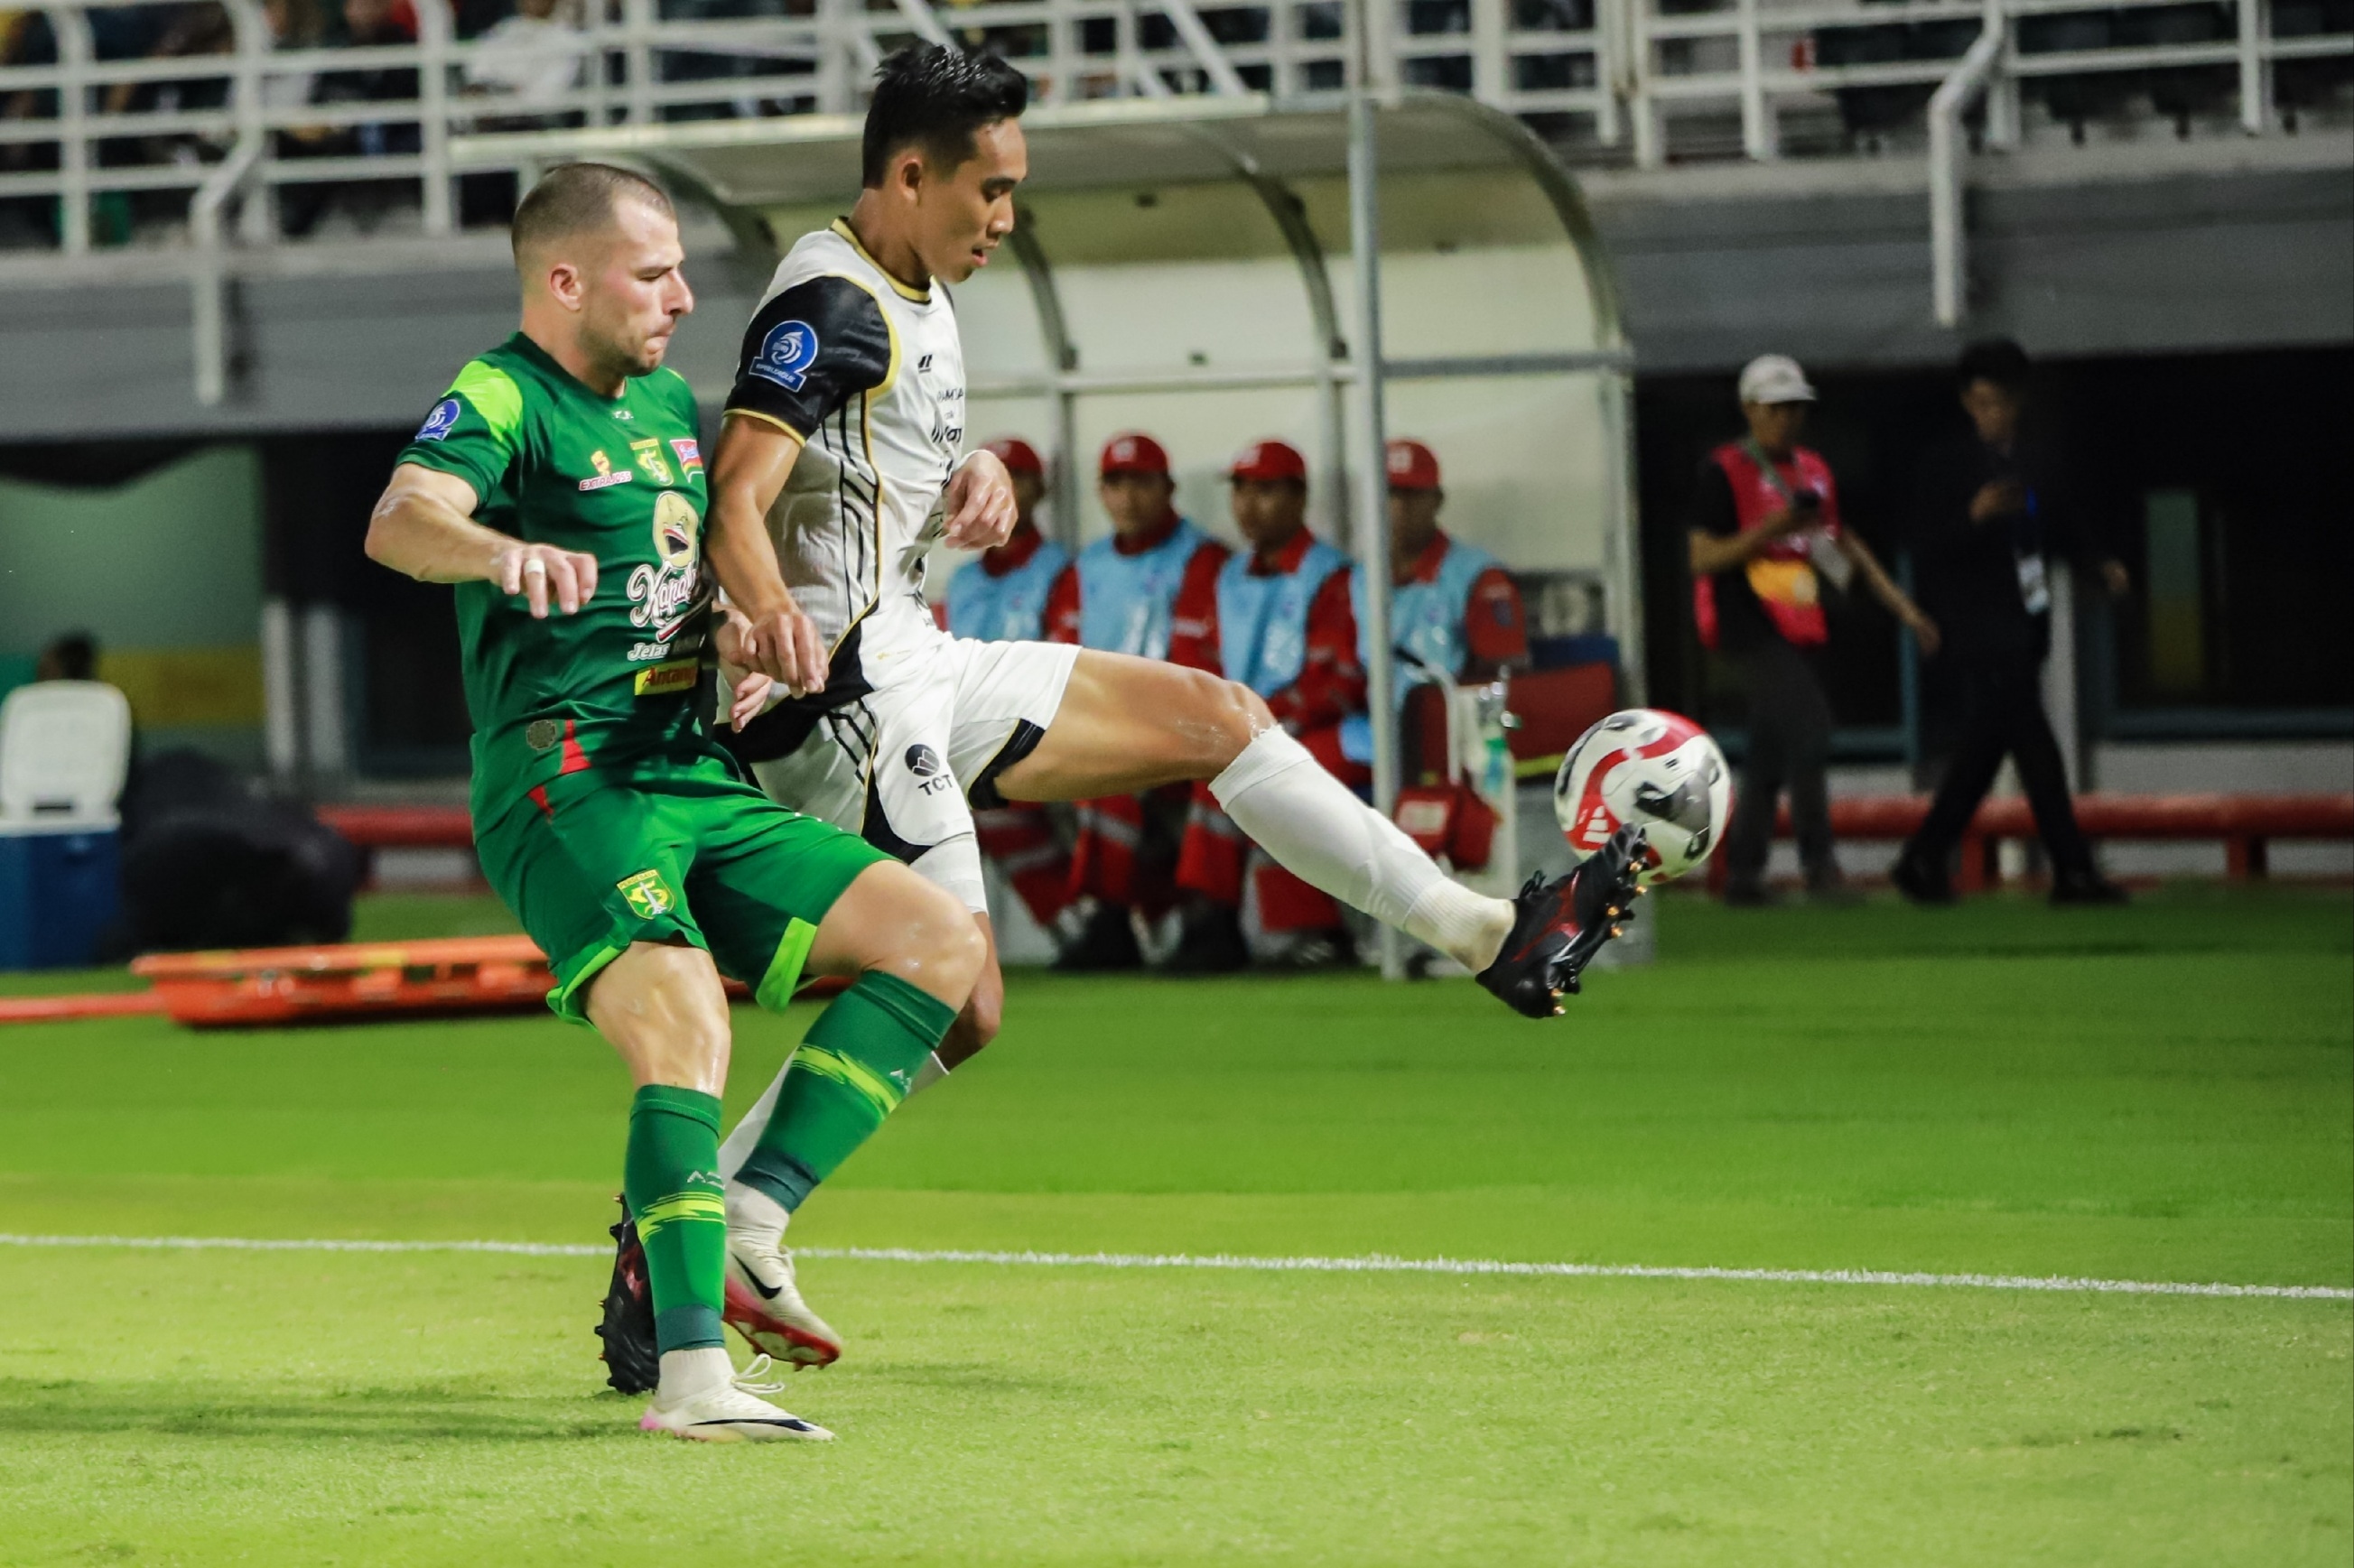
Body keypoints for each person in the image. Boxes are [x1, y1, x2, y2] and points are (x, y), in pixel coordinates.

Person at [680, 45, 1646, 1378]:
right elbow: (738, 492)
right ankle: (712, 1222)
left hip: (916, 653)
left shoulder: (911, 286)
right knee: (959, 991)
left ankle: (1480, 928)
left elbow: (855, 463)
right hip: (841, 693)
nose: (1006, 219)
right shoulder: (827, 299)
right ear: (908, 175)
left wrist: (973, 477)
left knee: (1213, 715)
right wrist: (771, 626)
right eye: (991, 191)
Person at [363, 162, 991, 1443]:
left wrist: (739, 640)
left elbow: (666, 589)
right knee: (681, 1016)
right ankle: (691, 1380)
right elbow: (400, 518)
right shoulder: (502, 394)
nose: (683, 298)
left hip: (685, 763)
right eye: (652, 273)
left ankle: (749, 1217)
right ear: (563, 280)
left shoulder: (656, 402)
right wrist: (494, 549)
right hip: (565, 779)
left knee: (942, 948)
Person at [1687, 354, 1938, 905]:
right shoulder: (1723, 471)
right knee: (1810, 727)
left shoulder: (1815, 471)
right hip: (1743, 621)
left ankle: (1743, 877)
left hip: (1797, 618)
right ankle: (1819, 867)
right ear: (1750, 410)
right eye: (1776, 409)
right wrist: (1769, 529)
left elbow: (1839, 546)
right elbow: (1702, 558)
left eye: (1796, 409)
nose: (1787, 420)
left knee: (1770, 749)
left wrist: (1903, 609)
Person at [1891, 339, 2130, 905]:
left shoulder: (2037, 462)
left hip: (2026, 617)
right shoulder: (1945, 465)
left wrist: (2098, 562)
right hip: (1974, 622)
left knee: (1990, 745)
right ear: (1967, 402)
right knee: (2031, 741)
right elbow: (1924, 545)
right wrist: (1972, 519)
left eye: (2001, 402)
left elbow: (2064, 525)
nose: (1992, 414)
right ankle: (2071, 870)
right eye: (1981, 402)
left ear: (2017, 402)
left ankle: (1924, 857)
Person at [1166, 439, 1369, 970]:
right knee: (1215, 773)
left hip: (1331, 730)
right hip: (1246, 732)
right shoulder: (1225, 576)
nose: (1249, 505)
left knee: (1262, 777)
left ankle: (1309, 933)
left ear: (1300, 497)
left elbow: (1341, 680)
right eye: (1241, 490)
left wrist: (1258, 723)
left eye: (1266, 490)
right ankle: (1209, 924)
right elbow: (1200, 664)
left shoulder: (1332, 576)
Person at [1048, 431, 1230, 971]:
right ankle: (1106, 922)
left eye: (1142, 483)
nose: (1128, 497)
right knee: (1089, 776)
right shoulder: (1086, 568)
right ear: (1101, 492)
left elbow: (1202, 665)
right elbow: (1060, 660)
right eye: (1115, 483)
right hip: (1111, 726)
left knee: (1140, 780)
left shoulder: (1204, 559)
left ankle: (1210, 922)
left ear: (1168, 487)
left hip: (1186, 724)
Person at [939, 436, 1076, 942]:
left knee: (989, 801)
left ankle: (1086, 924)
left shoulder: (1061, 569)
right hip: (971, 731)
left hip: (1044, 724)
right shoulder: (963, 581)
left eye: (1016, 476)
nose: (1001, 490)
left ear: (1038, 489)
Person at [1344, 438, 1528, 784]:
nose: (1397, 508)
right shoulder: (1359, 579)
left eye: (1411, 496)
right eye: (1388, 494)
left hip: (1451, 744)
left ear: (1437, 501)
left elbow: (1504, 684)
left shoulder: (1478, 579)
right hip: (1374, 738)